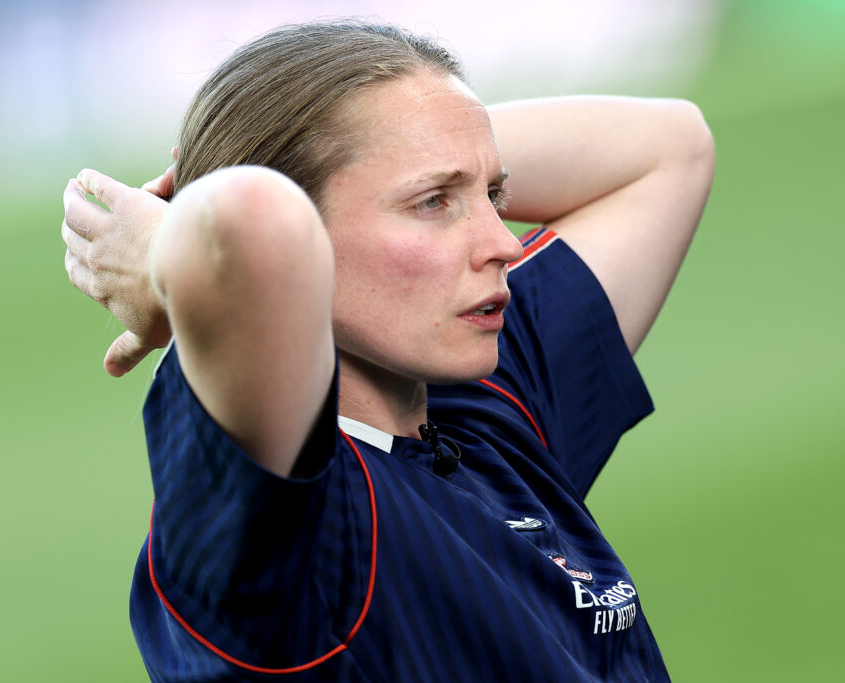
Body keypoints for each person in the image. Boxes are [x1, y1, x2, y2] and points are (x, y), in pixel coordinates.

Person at [61, 21, 714, 682]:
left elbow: (670, 148)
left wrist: (423, 136)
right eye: (434, 202)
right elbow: (254, 223)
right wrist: (173, 258)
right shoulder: (285, 522)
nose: (504, 242)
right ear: (303, 237)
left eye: (493, 195)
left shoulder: (484, 405)